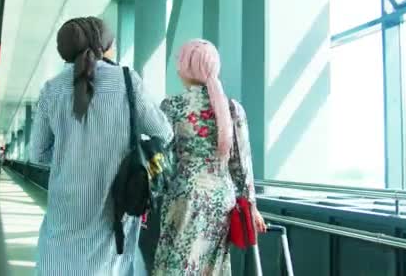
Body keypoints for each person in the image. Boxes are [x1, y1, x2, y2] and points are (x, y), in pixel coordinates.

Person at [29, 16, 173, 276]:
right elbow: (163, 131)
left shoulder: (51, 89)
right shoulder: (127, 81)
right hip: (113, 204)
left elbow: (37, 153)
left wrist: (69, 158)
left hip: (65, 208)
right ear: (104, 46)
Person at [152, 39, 266, 275]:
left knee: (176, 264)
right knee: (211, 269)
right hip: (222, 200)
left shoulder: (173, 105)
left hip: (185, 196)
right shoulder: (233, 108)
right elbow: (242, 164)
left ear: (186, 67)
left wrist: (150, 191)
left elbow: (161, 156)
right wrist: (252, 207)